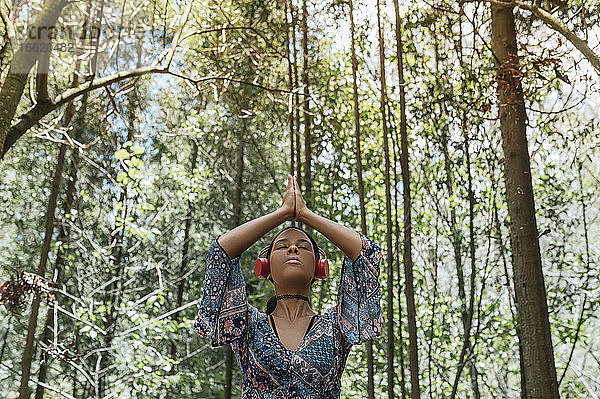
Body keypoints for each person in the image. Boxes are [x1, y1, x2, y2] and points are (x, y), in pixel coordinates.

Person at [193, 174, 382, 398]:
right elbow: (220, 254)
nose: (293, 249)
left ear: (318, 268)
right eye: (282, 246)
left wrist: (306, 215)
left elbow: (367, 254)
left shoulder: (339, 326)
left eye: (303, 246)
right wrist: (281, 214)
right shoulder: (246, 325)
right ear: (266, 267)